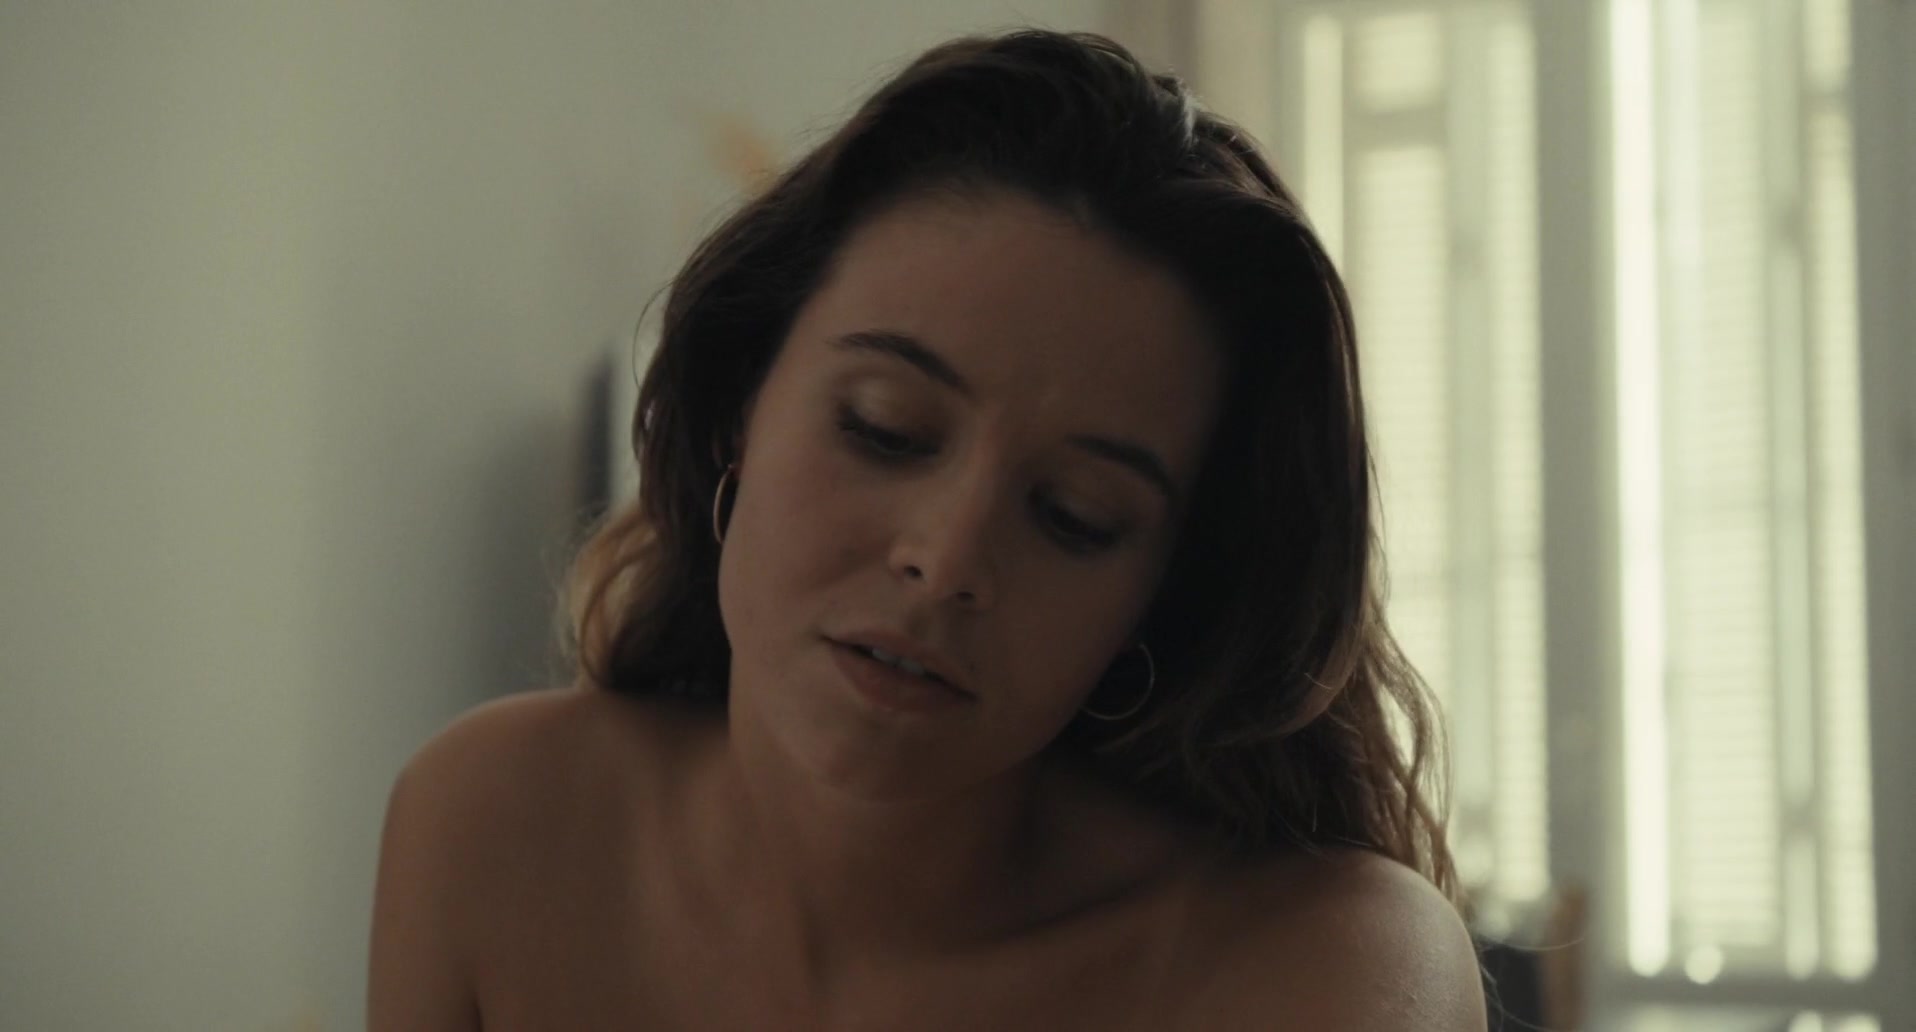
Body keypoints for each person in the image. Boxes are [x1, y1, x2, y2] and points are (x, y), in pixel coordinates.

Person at [369, 28, 1485, 1031]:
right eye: (884, 429)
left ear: (1163, 595)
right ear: (736, 412)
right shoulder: (497, 828)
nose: (944, 561)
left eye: (1075, 517)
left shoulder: (1323, 965)